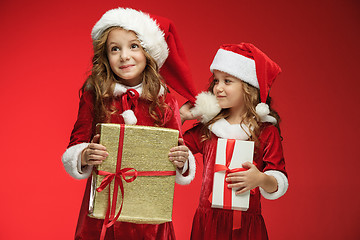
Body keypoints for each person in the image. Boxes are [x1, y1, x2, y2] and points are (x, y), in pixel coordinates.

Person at [61, 7, 197, 240]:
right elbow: (77, 143)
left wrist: (183, 161)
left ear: (148, 51)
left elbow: (177, 148)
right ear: (105, 56)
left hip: (150, 212)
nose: (124, 56)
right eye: (115, 49)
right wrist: (84, 155)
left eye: (133, 46)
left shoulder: (165, 100)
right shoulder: (94, 95)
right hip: (105, 208)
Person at [180, 43, 289, 240]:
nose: (218, 88)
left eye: (227, 81)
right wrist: (181, 117)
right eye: (216, 81)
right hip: (208, 223)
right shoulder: (209, 128)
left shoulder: (265, 132)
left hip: (246, 226)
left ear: (248, 87)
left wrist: (261, 179)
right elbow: (174, 147)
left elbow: (278, 180)